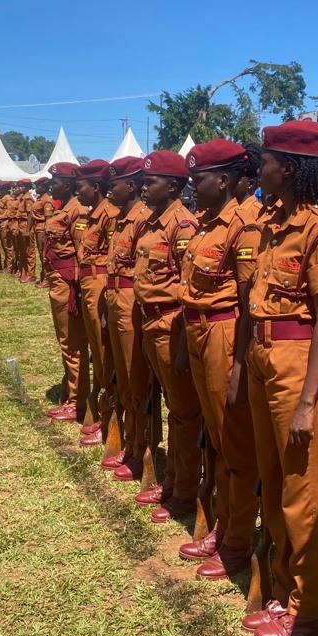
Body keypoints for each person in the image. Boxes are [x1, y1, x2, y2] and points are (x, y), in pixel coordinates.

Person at [234, 120, 318, 636]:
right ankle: (284, 587)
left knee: (304, 491)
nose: (262, 168)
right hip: (263, 356)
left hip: (298, 362)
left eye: (270, 160)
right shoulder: (273, 222)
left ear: (293, 167)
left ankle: (310, 611)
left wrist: (307, 401)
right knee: (276, 481)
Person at [176, 139, 262, 579]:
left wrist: (242, 367)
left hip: (224, 333)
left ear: (224, 180)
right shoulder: (208, 223)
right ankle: (225, 523)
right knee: (215, 437)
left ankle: (238, 538)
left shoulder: (244, 225)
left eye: (199, 178)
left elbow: (249, 303)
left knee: (234, 443)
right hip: (198, 329)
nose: (192, 185)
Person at [133, 151, 201, 522]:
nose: (145, 186)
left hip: (170, 323)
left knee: (183, 413)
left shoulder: (183, 226)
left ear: (173, 186)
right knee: (171, 409)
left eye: (152, 180)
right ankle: (173, 479)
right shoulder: (153, 224)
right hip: (150, 322)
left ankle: (185, 489)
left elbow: (184, 285)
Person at [103, 156, 151, 483]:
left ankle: (142, 447)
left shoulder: (143, 220)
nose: (109, 190)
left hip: (131, 301)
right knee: (123, 378)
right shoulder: (122, 219)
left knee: (136, 380)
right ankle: (132, 443)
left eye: (114, 184)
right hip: (115, 299)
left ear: (130, 185)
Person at [73, 160, 118, 449]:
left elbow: (113, 258)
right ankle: (104, 413)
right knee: (97, 355)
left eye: (82, 188)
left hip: (100, 284)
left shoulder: (110, 215)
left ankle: (110, 418)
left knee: (105, 354)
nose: (78, 194)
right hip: (88, 284)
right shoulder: (93, 215)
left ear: (97, 187)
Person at [42, 163, 89, 423]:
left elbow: (82, 255)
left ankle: (77, 401)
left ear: (69, 184)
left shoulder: (77, 212)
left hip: (68, 284)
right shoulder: (65, 209)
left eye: (56, 180)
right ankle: (72, 391)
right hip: (58, 280)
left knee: (72, 343)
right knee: (66, 341)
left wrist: (76, 290)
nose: (52, 184)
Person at [32, 177, 55, 288]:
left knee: (44, 255)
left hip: (42, 229)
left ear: (44, 187)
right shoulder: (40, 198)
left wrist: (46, 233)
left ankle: (47, 279)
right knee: (41, 255)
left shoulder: (47, 200)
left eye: (38, 186)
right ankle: (44, 276)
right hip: (38, 228)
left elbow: (48, 219)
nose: (36, 188)